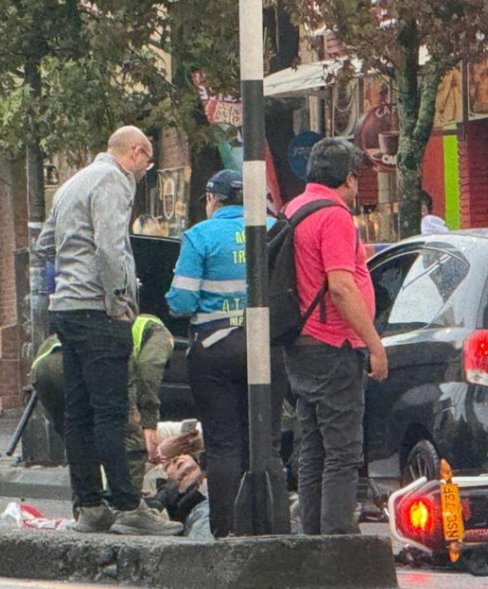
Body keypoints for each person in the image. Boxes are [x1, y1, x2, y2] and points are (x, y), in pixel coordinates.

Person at [34, 125, 182, 536]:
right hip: (99, 311)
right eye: (147, 164)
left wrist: (70, 265)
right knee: (113, 413)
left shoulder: (71, 184)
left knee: (77, 412)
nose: (143, 172)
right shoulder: (114, 181)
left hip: (66, 308)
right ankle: (128, 506)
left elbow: (44, 244)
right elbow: (110, 246)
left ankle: (89, 506)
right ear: (136, 152)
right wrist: (120, 303)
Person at [165, 169, 291, 538]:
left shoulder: (200, 235)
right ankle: (271, 525)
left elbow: (182, 301)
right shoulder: (277, 229)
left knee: (223, 444)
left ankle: (227, 530)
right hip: (268, 347)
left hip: (215, 350)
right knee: (265, 441)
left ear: (211, 201)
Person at [283, 138, 388, 535]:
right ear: (347, 178)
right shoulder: (334, 216)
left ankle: (313, 533)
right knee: (343, 451)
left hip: (301, 344)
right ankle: (337, 539)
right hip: (334, 343)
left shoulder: (293, 209)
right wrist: (374, 344)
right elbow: (341, 287)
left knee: (312, 447)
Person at [30, 314, 174, 497]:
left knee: (78, 441)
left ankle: (87, 507)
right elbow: (149, 365)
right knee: (130, 437)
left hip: (43, 367)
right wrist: (149, 422)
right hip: (80, 362)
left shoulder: (112, 321)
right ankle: (129, 507)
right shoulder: (161, 333)